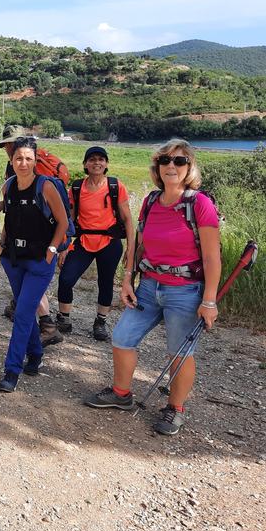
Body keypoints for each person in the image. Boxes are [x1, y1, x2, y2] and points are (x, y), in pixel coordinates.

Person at [84, 139, 221, 436]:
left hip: (185, 290)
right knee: (121, 337)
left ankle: (175, 409)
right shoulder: (150, 201)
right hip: (148, 286)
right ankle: (121, 394)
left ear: (189, 167)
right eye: (165, 161)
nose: (171, 166)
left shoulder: (199, 203)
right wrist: (127, 279)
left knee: (178, 352)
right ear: (158, 167)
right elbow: (138, 244)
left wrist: (209, 300)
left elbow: (212, 256)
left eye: (179, 161)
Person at [0, 137, 70, 392]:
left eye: (28, 158)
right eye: (18, 158)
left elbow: (62, 222)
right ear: (12, 161)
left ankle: (12, 370)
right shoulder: (9, 187)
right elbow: (10, 218)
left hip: (40, 261)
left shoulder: (45, 186)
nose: (23, 163)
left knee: (23, 314)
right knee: (25, 312)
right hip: (13, 259)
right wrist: (2, 242)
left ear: (36, 160)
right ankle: (36, 355)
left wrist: (52, 250)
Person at [0, 125, 62, 347]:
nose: (8, 149)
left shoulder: (33, 167)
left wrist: (54, 248)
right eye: (7, 146)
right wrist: (2, 205)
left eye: (11, 143)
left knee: (30, 293)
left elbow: (47, 207)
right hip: (19, 242)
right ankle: (40, 334)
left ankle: (47, 328)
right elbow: (17, 200)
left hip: (41, 242)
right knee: (26, 295)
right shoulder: (12, 167)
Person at [56, 146, 135, 341]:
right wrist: (64, 246)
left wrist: (131, 250)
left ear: (106, 164)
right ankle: (63, 318)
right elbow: (69, 220)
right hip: (83, 240)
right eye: (92, 160)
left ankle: (100, 321)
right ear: (85, 164)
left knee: (105, 282)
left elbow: (127, 220)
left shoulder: (115, 186)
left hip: (110, 241)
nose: (96, 163)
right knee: (66, 279)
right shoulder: (76, 187)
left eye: (101, 159)